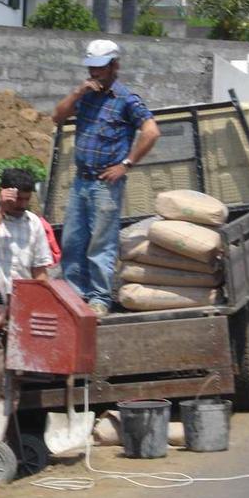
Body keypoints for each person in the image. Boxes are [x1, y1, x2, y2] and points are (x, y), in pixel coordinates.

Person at [52, 39, 160, 316]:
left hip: (105, 184)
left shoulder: (126, 100)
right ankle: (76, 295)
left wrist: (126, 163)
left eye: (100, 68)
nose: (95, 73)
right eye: (92, 68)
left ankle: (99, 297)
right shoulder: (86, 95)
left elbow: (151, 131)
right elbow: (58, 117)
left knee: (101, 242)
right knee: (74, 241)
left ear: (115, 66)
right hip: (81, 181)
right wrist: (78, 92)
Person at [0, 167, 53, 430]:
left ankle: (16, 429)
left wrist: (44, 305)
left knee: (20, 373)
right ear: (4, 193)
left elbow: (40, 271)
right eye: (18, 200)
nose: (23, 205)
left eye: (27, 200)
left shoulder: (34, 223)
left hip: (22, 308)